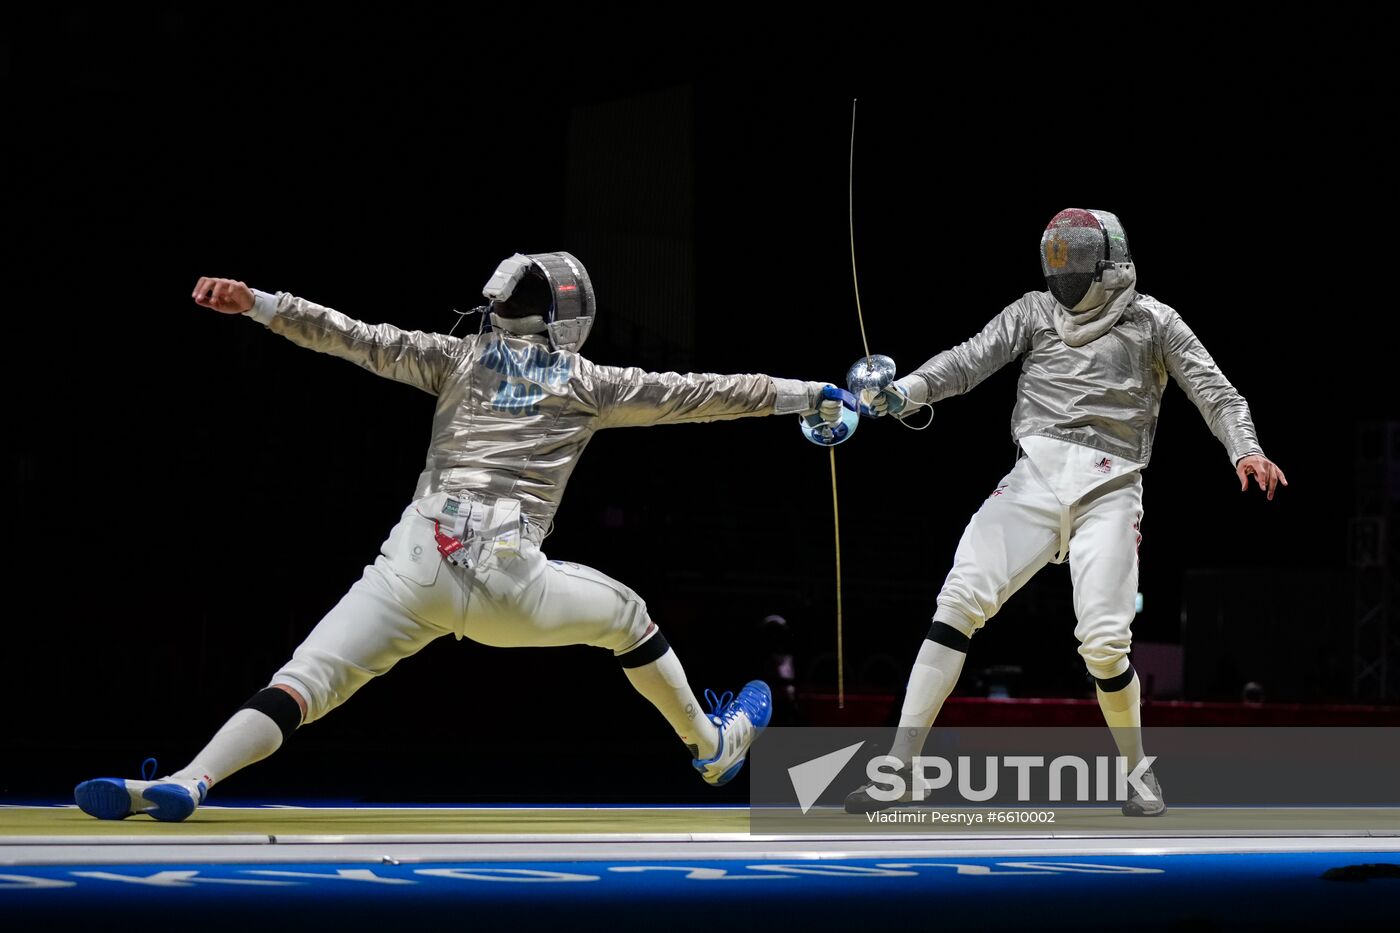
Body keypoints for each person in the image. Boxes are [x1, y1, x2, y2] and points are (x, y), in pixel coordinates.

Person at [75, 252, 849, 822]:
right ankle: (712, 747)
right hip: (508, 580)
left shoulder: (454, 356)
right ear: (567, 316)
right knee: (628, 617)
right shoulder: (591, 384)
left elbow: (347, 334)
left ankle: (189, 777)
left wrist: (261, 303)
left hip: (411, 563)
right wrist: (811, 394)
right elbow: (710, 394)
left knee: (303, 680)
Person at [845, 210, 1287, 816]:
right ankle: (899, 769)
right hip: (1033, 481)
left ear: (1108, 264)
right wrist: (905, 393)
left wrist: (1247, 448)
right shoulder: (1033, 312)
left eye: (1075, 264)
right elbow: (968, 360)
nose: (1065, 276)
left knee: (1104, 644)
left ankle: (1138, 776)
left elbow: (1216, 393)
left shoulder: (1155, 322)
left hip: (1110, 490)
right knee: (957, 601)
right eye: (1058, 263)